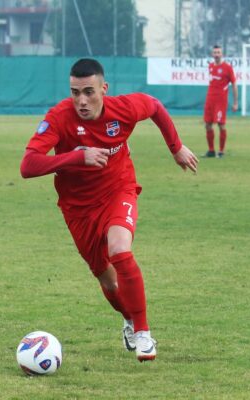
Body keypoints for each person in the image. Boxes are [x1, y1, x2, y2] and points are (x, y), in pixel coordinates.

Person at [20, 58, 198, 362]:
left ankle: (143, 332)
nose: (81, 100)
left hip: (119, 190)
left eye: (89, 91)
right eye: (75, 92)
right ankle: (129, 319)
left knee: (119, 248)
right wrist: (78, 157)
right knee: (109, 281)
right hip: (78, 208)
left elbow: (154, 106)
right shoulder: (59, 117)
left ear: (104, 88)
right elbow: (28, 165)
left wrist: (176, 147)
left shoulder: (124, 108)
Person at [203, 45, 238, 158]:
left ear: (221, 54)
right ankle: (211, 150)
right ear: (212, 54)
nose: (217, 54)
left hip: (221, 101)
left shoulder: (227, 67)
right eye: (215, 52)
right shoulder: (210, 66)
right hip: (210, 99)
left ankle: (221, 151)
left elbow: (234, 84)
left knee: (221, 124)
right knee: (207, 124)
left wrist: (235, 102)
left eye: (218, 52)